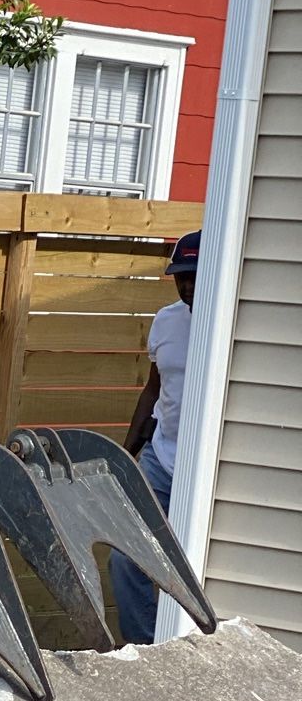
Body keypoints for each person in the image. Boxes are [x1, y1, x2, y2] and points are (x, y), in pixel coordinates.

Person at [115, 230, 199, 644]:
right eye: (180, 276)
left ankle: (183, 648)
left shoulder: (235, 323)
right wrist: (127, 453)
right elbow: (154, 388)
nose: (186, 285)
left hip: (204, 472)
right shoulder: (166, 321)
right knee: (125, 556)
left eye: (195, 276)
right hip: (160, 460)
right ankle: (143, 649)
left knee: (188, 562)